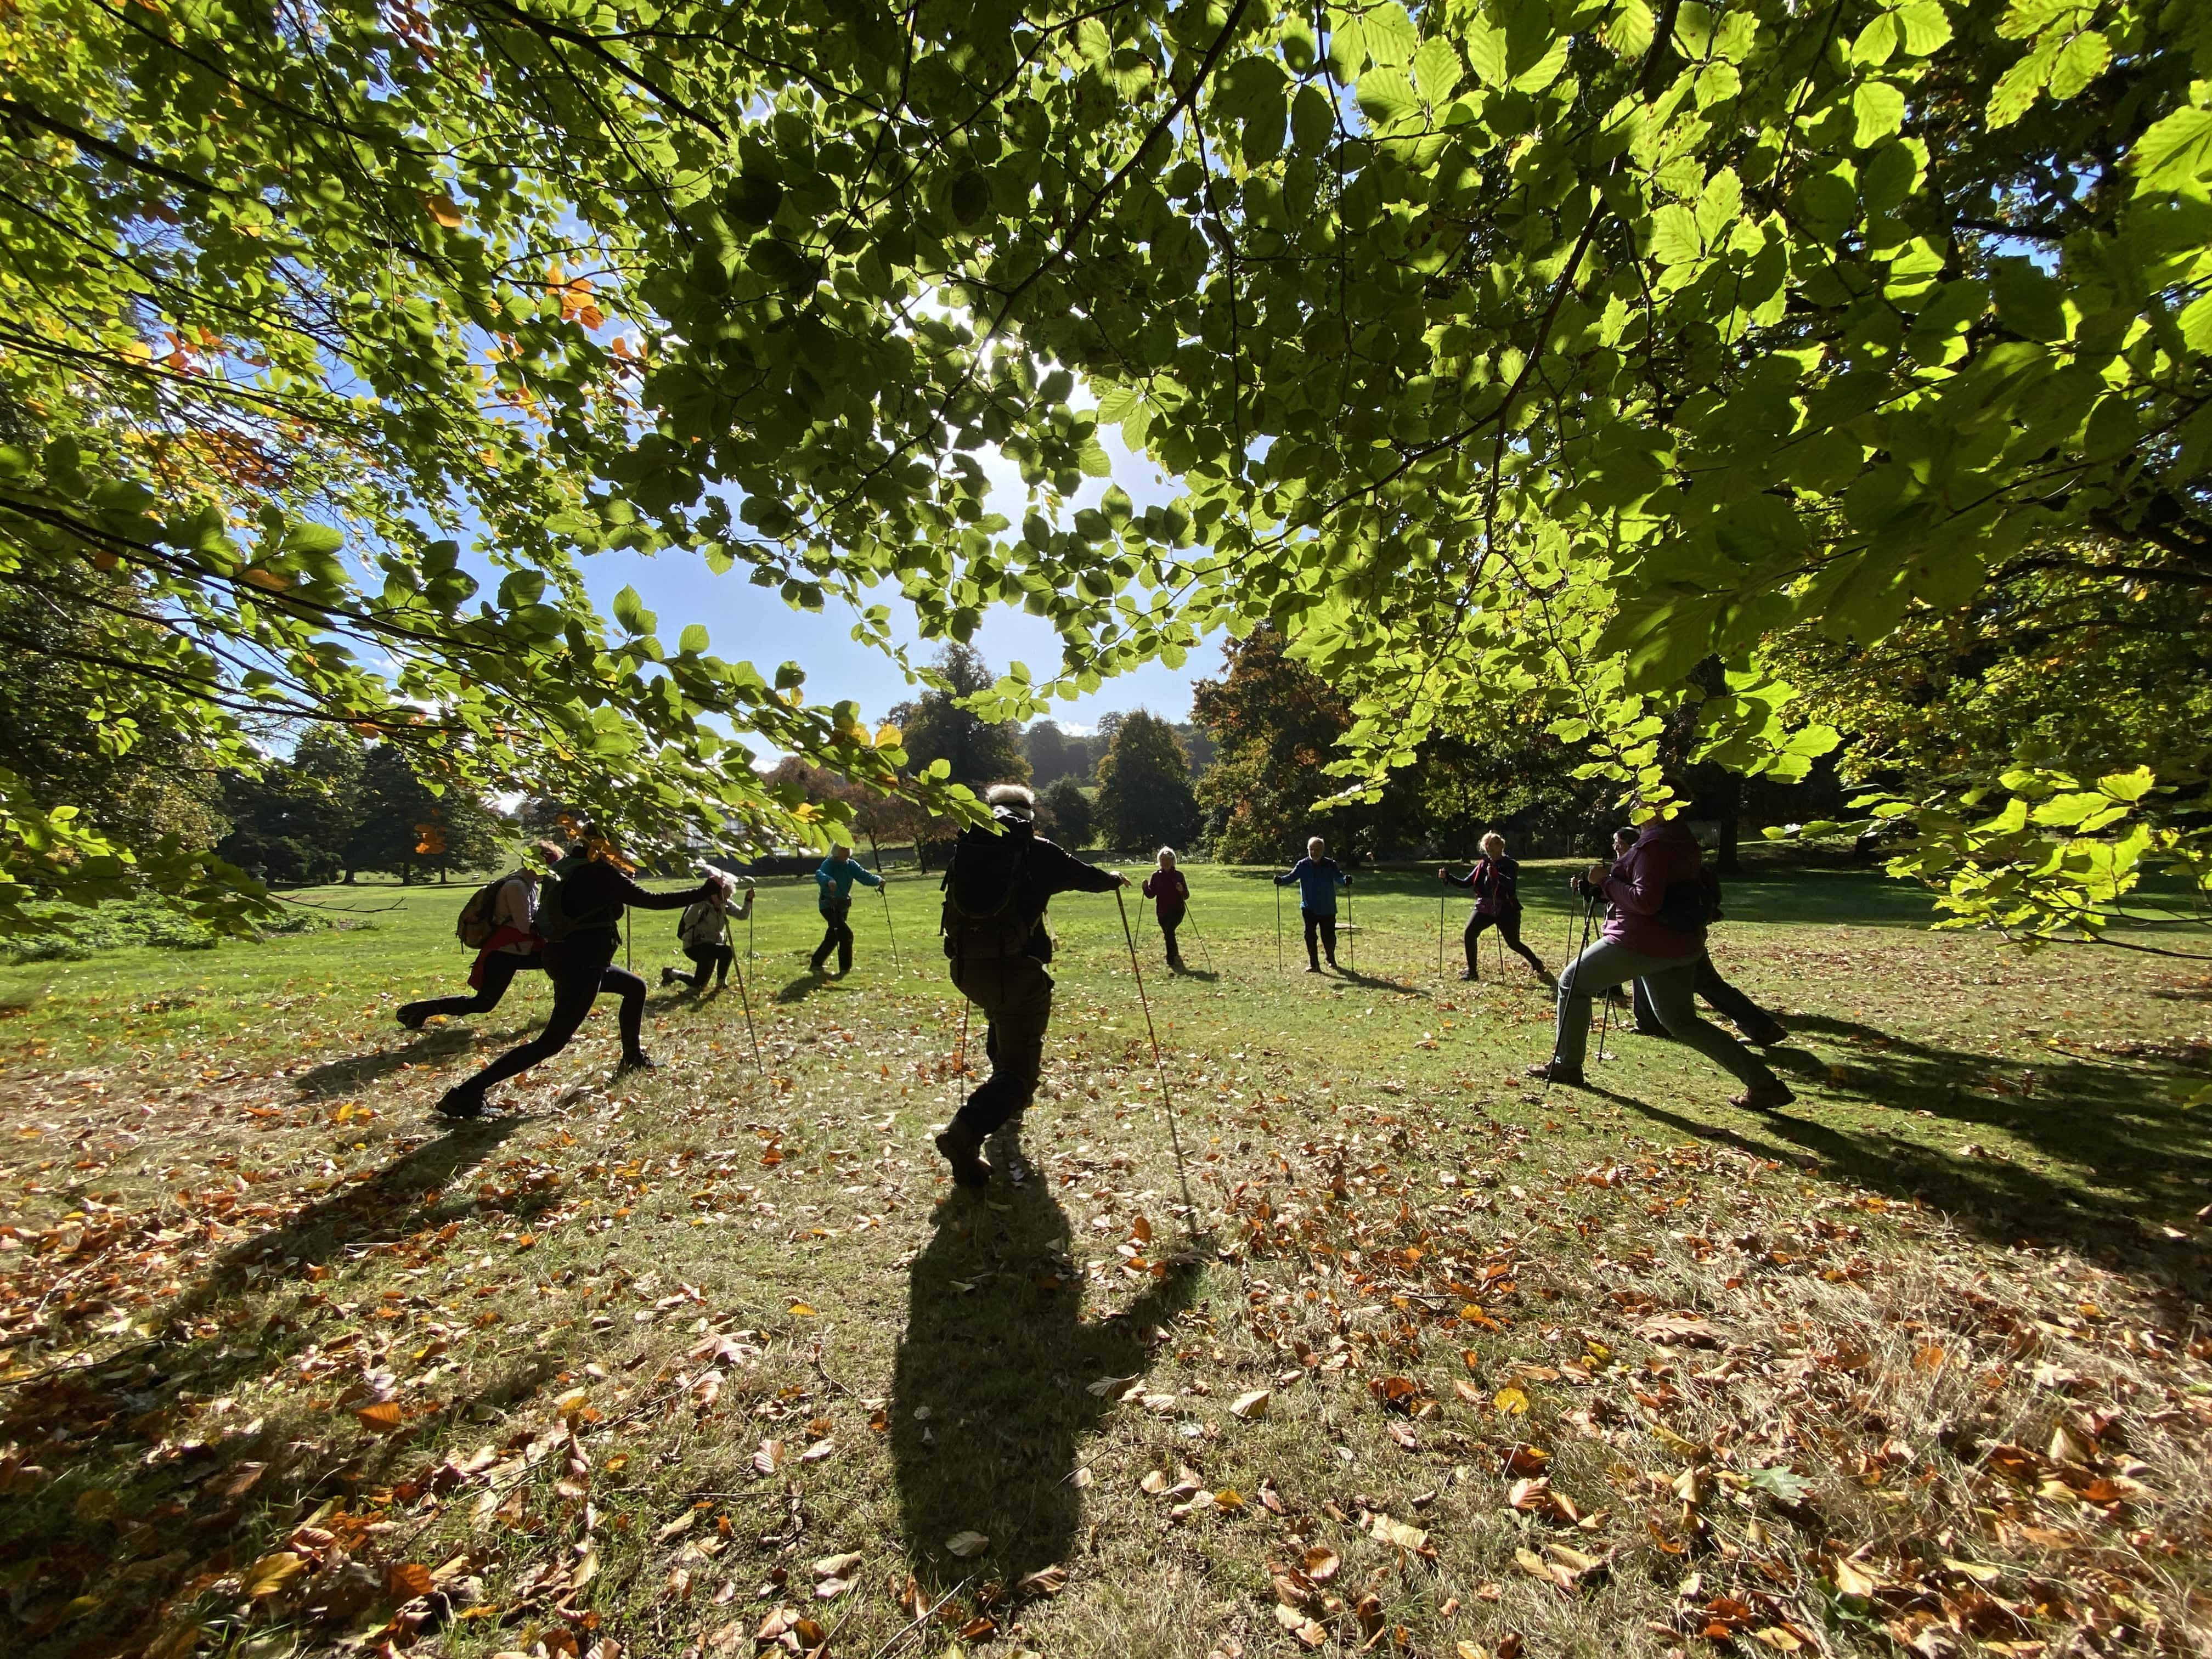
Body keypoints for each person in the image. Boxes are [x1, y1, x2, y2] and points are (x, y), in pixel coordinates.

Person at [435, 828, 720, 1119]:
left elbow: (583, 905)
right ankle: (466, 1093)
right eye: (616, 846)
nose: (620, 853)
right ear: (603, 846)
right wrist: (705, 891)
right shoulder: (599, 872)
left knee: (635, 987)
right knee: (552, 1041)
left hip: (563, 955)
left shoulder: (565, 866)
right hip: (582, 963)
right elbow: (653, 901)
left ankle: (632, 1057)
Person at [1526, 817, 1795, 1110]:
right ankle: (1765, 1085)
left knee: (1572, 982)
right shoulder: (1682, 840)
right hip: (1679, 943)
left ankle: (1567, 1065)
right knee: (1682, 1022)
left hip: (1641, 942)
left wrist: (1604, 880)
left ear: (1659, 806)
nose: (1633, 806)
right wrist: (1605, 886)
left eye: (1640, 799)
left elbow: (1645, 901)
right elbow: (1659, 891)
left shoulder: (1654, 846)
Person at [934, 783, 1126, 1187]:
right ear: (1028, 814)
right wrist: (1112, 880)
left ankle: (995, 1085)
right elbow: (1084, 875)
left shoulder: (969, 848)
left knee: (1002, 1018)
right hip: (1016, 972)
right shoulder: (1035, 849)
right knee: (1021, 1079)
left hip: (968, 969)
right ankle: (965, 1131)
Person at [1603, 828, 1788, 1046]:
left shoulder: (1650, 862)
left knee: (1707, 984)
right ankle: (1649, 1023)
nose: (1615, 847)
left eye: (1619, 842)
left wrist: (1607, 886)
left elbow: (1643, 899)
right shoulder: (1640, 862)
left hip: (1675, 935)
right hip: (1660, 934)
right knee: (1646, 971)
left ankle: (1763, 1029)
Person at [398, 840, 565, 1030]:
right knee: (483, 1004)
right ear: (540, 864)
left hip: (517, 949)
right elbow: (525, 926)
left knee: (562, 963)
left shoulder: (530, 884)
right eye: (552, 867)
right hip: (505, 952)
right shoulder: (517, 887)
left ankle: (565, 1013)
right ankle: (415, 1011)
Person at [1437, 831, 1554, 986]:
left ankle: (1536, 963)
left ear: (1501, 846)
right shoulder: (1483, 864)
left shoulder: (1511, 864)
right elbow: (1466, 883)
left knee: (1513, 942)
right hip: (1485, 907)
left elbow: (1511, 884)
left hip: (1506, 908)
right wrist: (1448, 877)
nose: (1489, 848)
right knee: (1469, 933)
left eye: (1492, 845)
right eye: (1486, 845)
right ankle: (1472, 972)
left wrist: (1496, 875)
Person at [662, 870, 752, 992]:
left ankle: (671, 973)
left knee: (699, 985)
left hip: (712, 947)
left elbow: (743, 915)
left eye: (728, 898)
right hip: (695, 946)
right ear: (713, 894)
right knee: (727, 951)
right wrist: (699, 900)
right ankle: (721, 985)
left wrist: (748, 900)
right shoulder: (700, 903)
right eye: (722, 897)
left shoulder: (724, 904)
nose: (725, 901)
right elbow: (688, 920)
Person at [1274, 836, 1350, 972]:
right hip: (1309, 907)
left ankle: (1330, 958)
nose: (1314, 852)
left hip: (1328, 908)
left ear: (1323, 850)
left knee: (1329, 937)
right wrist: (1280, 881)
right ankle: (1314, 964)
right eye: (1311, 849)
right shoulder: (1302, 865)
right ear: (1308, 849)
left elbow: (1339, 878)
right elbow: (1291, 877)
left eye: (1318, 850)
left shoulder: (1330, 864)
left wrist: (1345, 881)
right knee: (1310, 935)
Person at [811, 843, 885, 975]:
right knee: (846, 935)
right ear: (836, 851)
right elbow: (819, 874)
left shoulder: (851, 865)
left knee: (834, 936)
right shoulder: (829, 863)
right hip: (828, 905)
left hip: (843, 905)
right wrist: (829, 880)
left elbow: (864, 876)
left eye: (847, 849)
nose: (846, 852)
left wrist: (878, 880)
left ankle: (816, 962)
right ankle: (845, 969)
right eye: (843, 849)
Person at [1141, 847, 1189, 970]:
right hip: (1162, 911)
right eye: (1163, 860)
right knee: (1169, 933)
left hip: (1177, 910)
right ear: (1160, 861)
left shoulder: (1179, 875)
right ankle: (1175, 953)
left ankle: (1171, 959)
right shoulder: (1156, 876)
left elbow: (1186, 896)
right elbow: (1151, 895)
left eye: (1168, 860)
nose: (1165, 863)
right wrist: (1145, 888)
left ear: (1173, 861)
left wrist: (1181, 890)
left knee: (1169, 931)